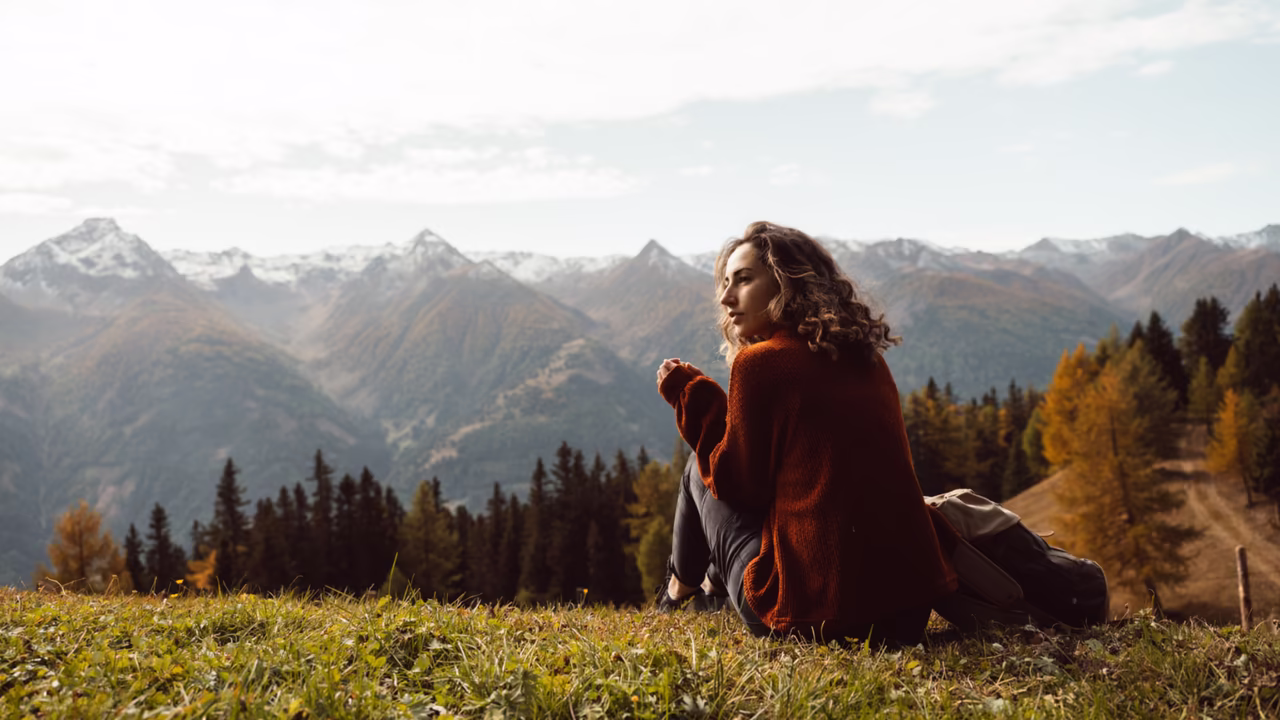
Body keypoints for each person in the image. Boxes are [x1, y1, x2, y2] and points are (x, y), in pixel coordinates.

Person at [654, 221, 956, 646]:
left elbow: (736, 486)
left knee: (695, 468)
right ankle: (704, 584)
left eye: (743, 280)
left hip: (813, 613)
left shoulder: (760, 364)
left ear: (786, 283)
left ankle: (680, 588)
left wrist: (693, 397)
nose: (726, 298)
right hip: (906, 612)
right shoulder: (864, 356)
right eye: (725, 282)